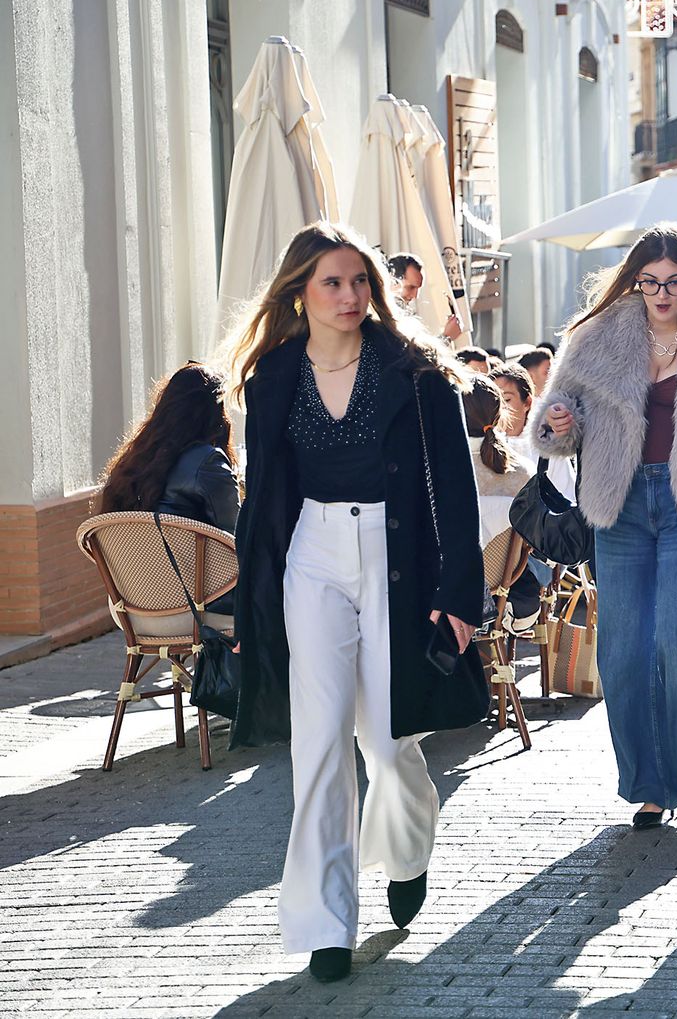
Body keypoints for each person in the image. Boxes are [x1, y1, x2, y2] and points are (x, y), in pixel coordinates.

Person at [224, 221, 485, 983]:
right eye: (332, 282)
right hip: (312, 557)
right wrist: (252, 609)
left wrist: (459, 592)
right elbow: (263, 498)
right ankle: (327, 923)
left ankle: (406, 849)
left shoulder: (414, 371)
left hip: (395, 557)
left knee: (390, 739)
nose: (349, 295)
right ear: (299, 291)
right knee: (320, 744)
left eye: (359, 281)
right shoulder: (271, 377)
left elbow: (454, 490)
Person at [532, 222, 677, 829]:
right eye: (649, 282)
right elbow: (556, 426)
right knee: (621, 655)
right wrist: (558, 420)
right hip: (622, 502)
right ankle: (649, 785)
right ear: (632, 283)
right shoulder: (593, 339)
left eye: (675, 283)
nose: (661, 294)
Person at [97, 362, 242, 630]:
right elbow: (236, 536)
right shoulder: (207, 461)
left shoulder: (134, 460)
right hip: (194, 606)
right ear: (214, 412)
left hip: (131, 607)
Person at [462, 372, 533, 546]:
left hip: (453, 571)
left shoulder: (435, 474)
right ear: (499, 414)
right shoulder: (525, 472)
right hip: (513, 572)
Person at [389, 251, 463, 342]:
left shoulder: (401, 315)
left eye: (418, 288)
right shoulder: (384, 317)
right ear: (392, 282)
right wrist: (446, 337)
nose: (415, 296)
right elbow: (411, 355)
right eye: (411, 287)